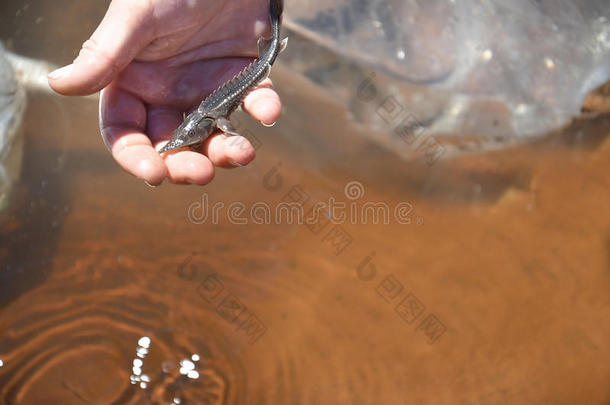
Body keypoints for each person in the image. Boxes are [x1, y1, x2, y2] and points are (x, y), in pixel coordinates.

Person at [47, 0, 282, 186]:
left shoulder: (215, 119)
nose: (183, 141)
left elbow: (222, 124)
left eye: (188, 138)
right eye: (184, 137)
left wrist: (229, 132)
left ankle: (273, 23)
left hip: (249, 73)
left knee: (266, 59)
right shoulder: (200, 120)